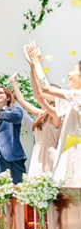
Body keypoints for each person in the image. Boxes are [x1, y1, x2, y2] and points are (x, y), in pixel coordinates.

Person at [26, 41, 81, 186]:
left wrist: (37, 62)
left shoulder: (78, 96)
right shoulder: (72, 98)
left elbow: (46, 89)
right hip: (67, 153)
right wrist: (32, 67)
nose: (69, 73)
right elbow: (39, 93)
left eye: (73, 70)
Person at [9, 69, 60, 176]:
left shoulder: (56, 115)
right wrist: (13, 82)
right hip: (37, 152)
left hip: (49, 154)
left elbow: (38, 97)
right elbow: (22, 101)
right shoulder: (41, 114)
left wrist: (33, 68)